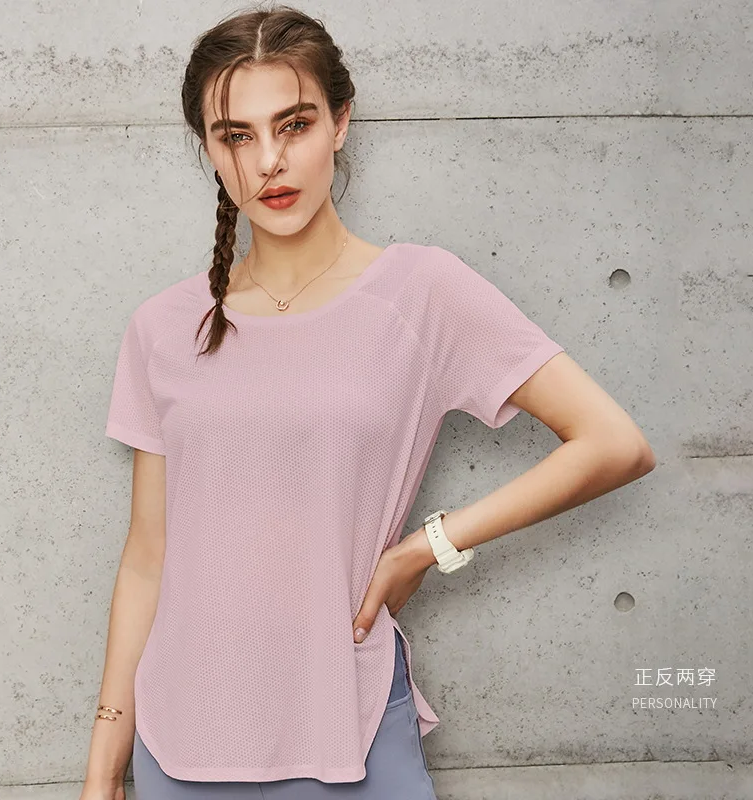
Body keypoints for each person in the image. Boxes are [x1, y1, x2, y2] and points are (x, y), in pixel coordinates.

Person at [80, 5, 656, 799]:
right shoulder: (163, 326)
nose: (269, 161)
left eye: (294, 124)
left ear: (341, 122)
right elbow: (148, 557)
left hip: (347, 723)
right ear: (208, 149)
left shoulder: (421, 292)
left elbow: (614, 443)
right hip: (180, 739)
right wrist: (103, 760)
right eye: (236, 135)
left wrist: (427, 545)